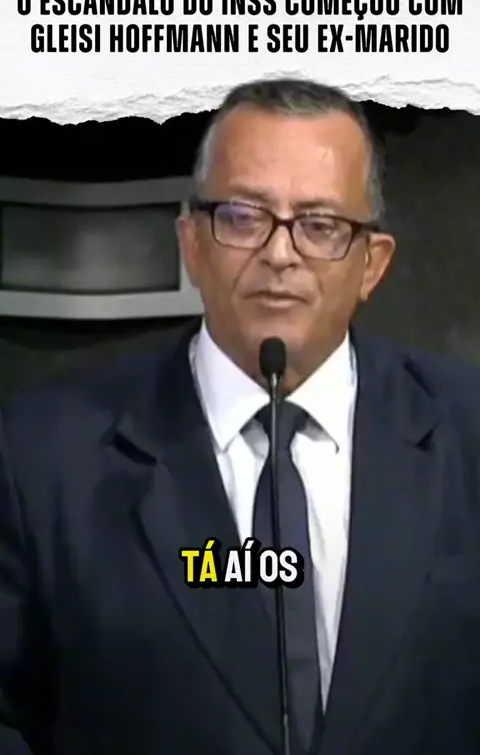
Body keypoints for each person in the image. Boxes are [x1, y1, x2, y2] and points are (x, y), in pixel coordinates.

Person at [0, 78, 479, 755]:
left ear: (372, 265)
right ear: (192, 242)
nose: (280, 254)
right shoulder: (42, 454)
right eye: (244, 217)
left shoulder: (468, 431)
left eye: (320, 225)